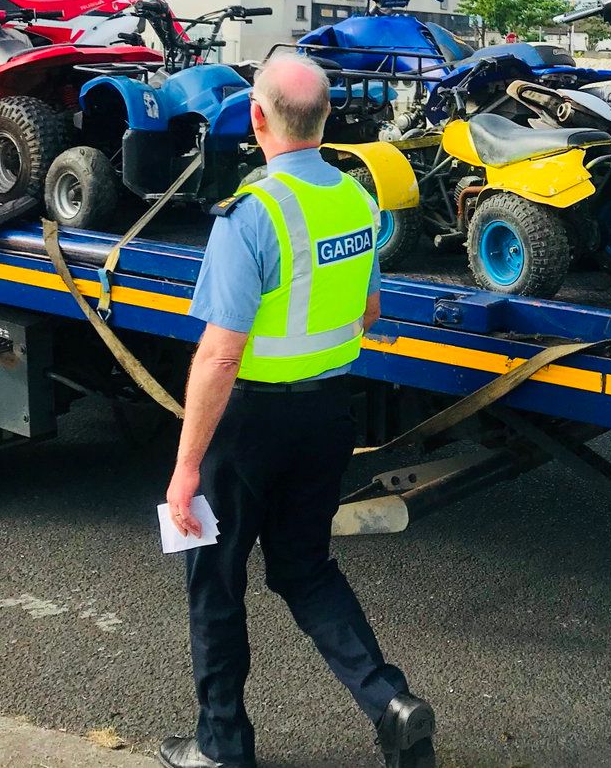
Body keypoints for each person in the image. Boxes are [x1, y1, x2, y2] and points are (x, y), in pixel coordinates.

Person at [160, 52, 435, 768]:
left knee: (215, 581)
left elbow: (220, 356)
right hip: (326, 417)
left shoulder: (250, 214)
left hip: (246, 426)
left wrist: (187, 469)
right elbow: (369, 309)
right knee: (304, 568)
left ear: (257, 118)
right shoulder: (355, 200)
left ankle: (222, 747)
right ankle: (392, 705)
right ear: (326, 120)